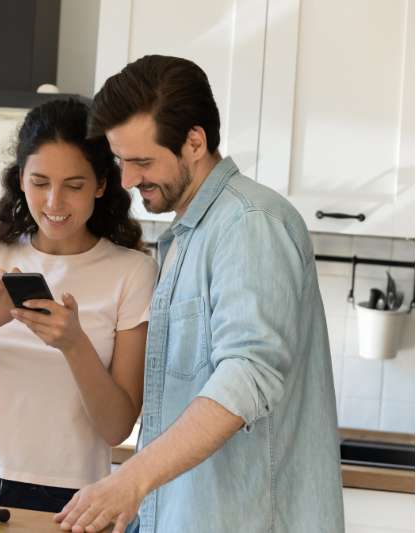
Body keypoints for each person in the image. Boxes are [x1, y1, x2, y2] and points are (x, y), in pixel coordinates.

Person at [55, 55, 344, 533]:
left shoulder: (249, 225)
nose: (127, 180)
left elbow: (247, 374)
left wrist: (132, 481)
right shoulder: (188, 236)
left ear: (194, 141)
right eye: (122, 161)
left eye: (142, 161)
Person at [0, 99, 158, 513]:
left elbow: (117, 428)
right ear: (20, 179)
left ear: (101, 184)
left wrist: (74, 344)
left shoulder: (132, 272)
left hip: (72, 500)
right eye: (40, 182)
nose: (54, 202)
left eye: (74, 185)